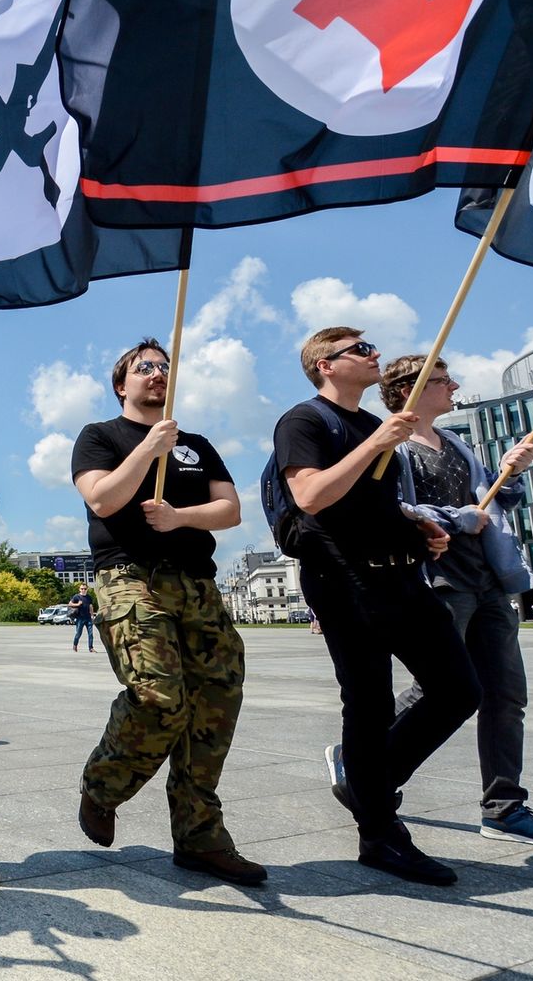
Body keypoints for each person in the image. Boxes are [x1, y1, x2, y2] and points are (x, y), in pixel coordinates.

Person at [274, 328, 480, 886]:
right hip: (344, 581)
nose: (374, 356)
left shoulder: (373, 425)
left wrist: (420, 528)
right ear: (325, 365)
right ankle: (381, 834)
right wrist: (377, 445)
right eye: (360, 351)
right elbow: (311, 495)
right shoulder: (306, 421)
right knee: (366, 701)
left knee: (461, 689)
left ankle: (366, 783)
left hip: (402, 576)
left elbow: (376, 505)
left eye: (372, 348)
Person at [70, 338, 263, 885]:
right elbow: (103, 499)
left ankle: (200, 836)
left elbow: (229, 510)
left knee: (214, 703)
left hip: (196, 583)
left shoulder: (196, 444)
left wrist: (180, 517)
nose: (157, 374)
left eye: (164, 367)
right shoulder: (100, 437)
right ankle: (102, 786)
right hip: (131, 578)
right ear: (121, 384)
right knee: (158, 697)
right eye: (144, 368)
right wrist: (148, 450)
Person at [382, 356, 533, 851]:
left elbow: (491, 500)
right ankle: (369, 764)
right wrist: (456, 518)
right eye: (443, 380)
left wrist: (510, 474)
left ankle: (504, 806)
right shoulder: (393, 447)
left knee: (507, 695)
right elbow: (400, 510)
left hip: (488, 579)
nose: (454, 386)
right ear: (412, 388)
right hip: (441, 581)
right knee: (439, 688)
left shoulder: (454, 441)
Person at [68, 584, 95, 653]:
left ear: (87, 589)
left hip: (88, 618)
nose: (83, 590)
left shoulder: (89, 597)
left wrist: (92, 616)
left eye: (85, 589)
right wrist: (77, 604)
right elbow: (70, 604)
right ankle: (75, 645)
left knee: (91, 634)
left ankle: (91, 648)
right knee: (78, 633)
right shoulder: (76, 596)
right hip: (80, 618)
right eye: (82, 589)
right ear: (79, 589)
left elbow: (91, 607)